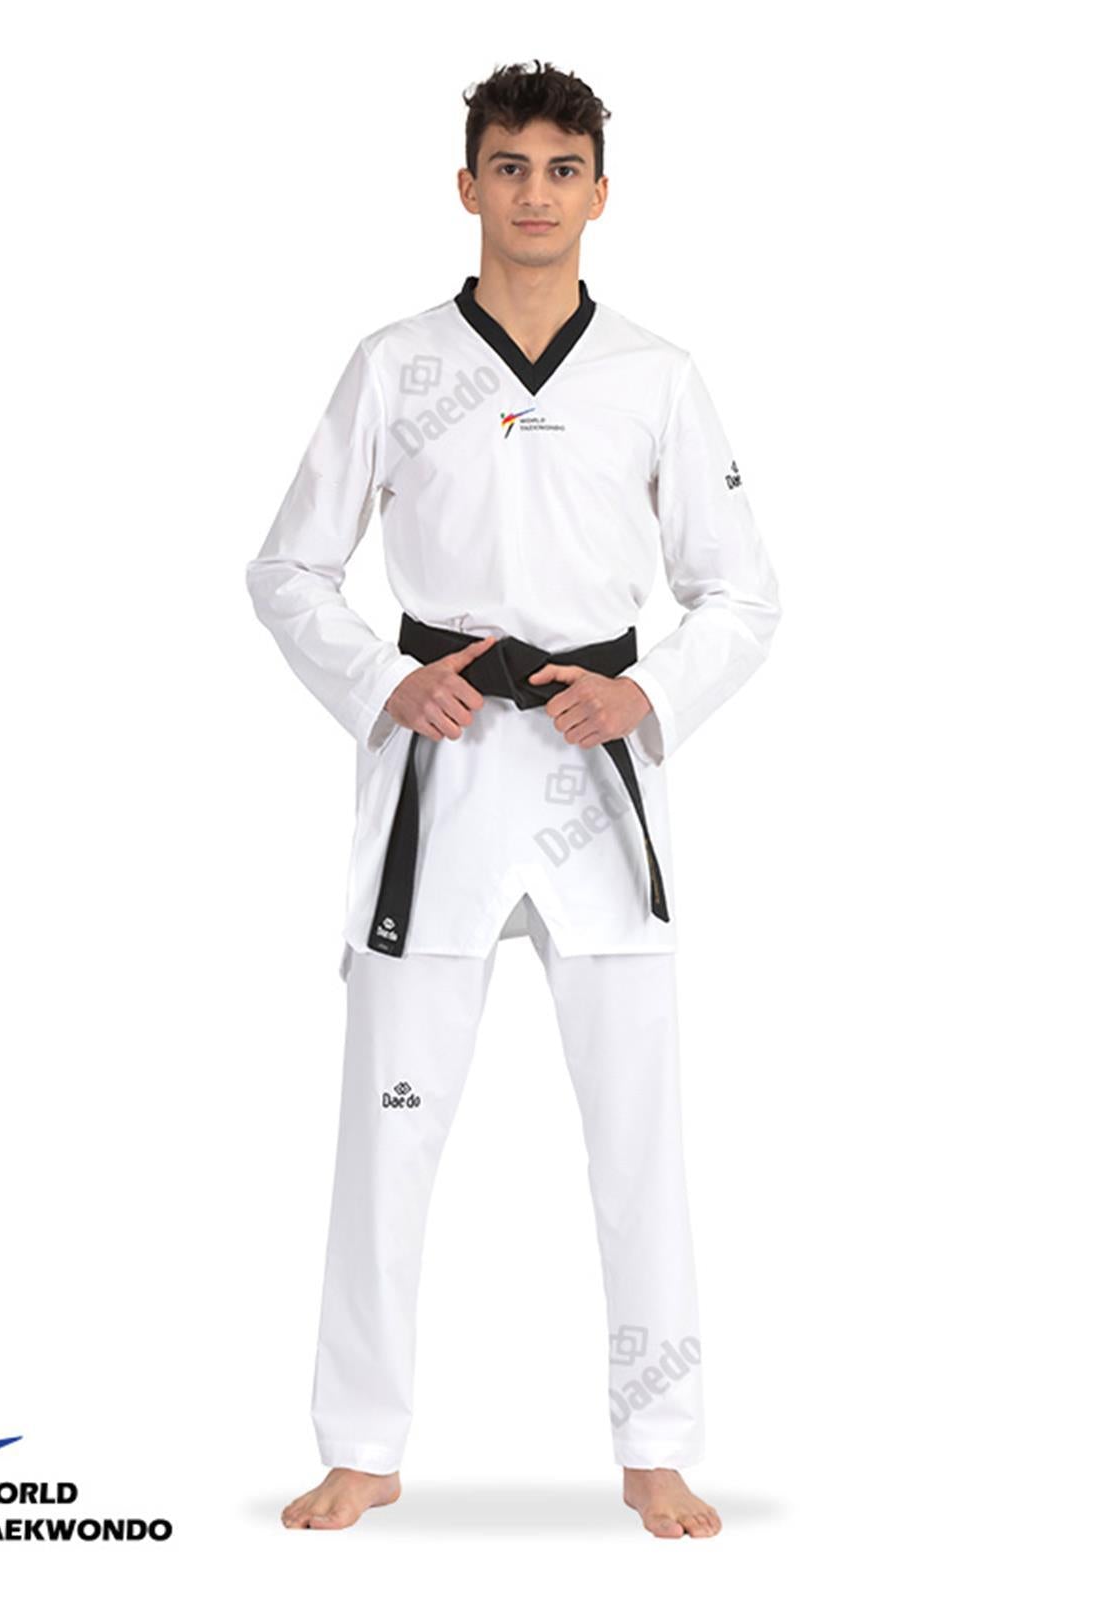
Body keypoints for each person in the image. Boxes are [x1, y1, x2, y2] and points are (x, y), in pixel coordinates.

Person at [246, 59, 780, 1538]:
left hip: (597, 787)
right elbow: (287, 567)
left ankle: (657, 1445)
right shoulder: (395, 365)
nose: (535, 192)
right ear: (466, 184)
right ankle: (363, 1442)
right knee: (390, 1126)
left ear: (601, 193)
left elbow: (743, 594)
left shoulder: (656, 375)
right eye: (509, 164)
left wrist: (650, 695)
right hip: (446, 775)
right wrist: (381, 680)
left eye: (562, 168)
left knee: (638, 1138)